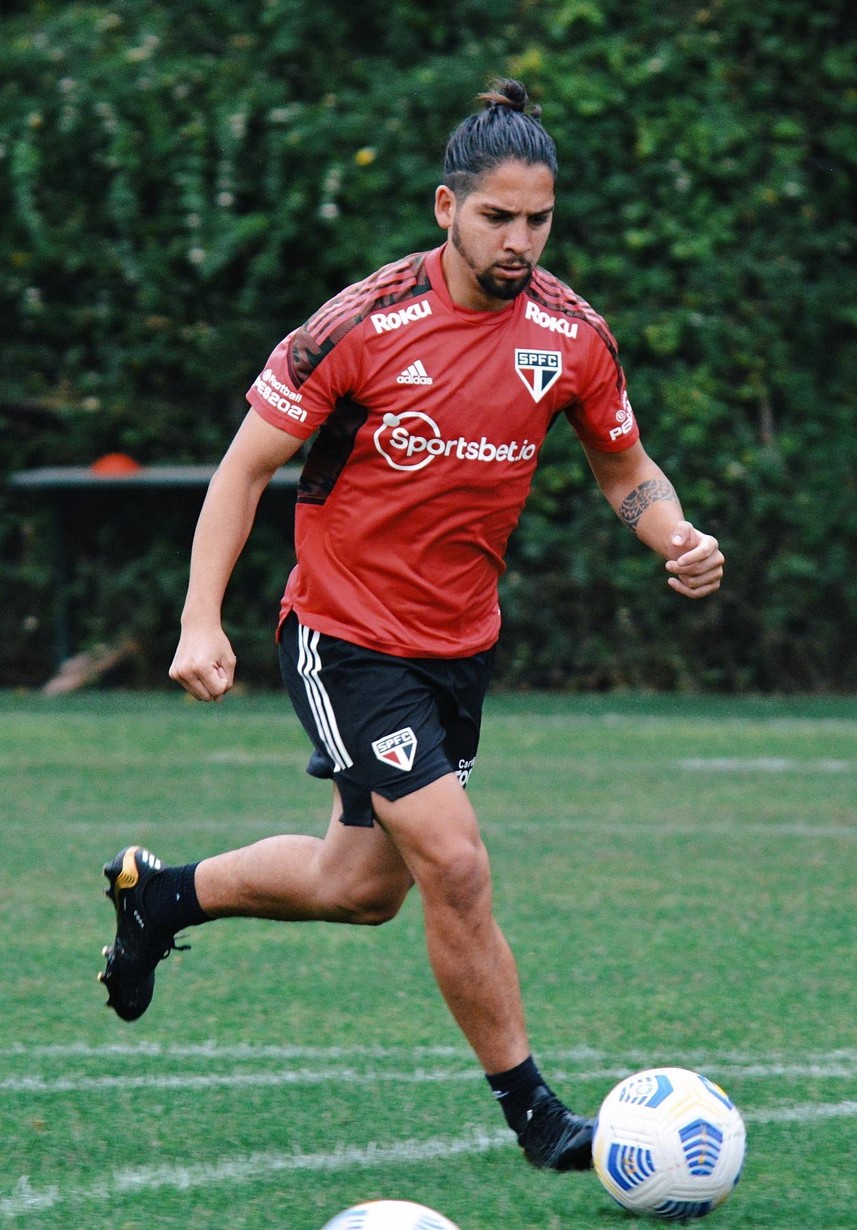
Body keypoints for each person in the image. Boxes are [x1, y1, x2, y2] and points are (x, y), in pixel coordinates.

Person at [97, 78, 724, 1171]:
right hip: (344, 635)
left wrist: (673, 534)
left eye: (538, 219)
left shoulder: (571, 336)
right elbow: (245, 470)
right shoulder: (364, 324)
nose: (521, 239)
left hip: (459, 646)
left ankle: (159, 895)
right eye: (498, 217)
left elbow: (625, 467)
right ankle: (539, 1120)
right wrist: (201, 619)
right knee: (456, 862)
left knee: (362, 889)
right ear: (446, 208)